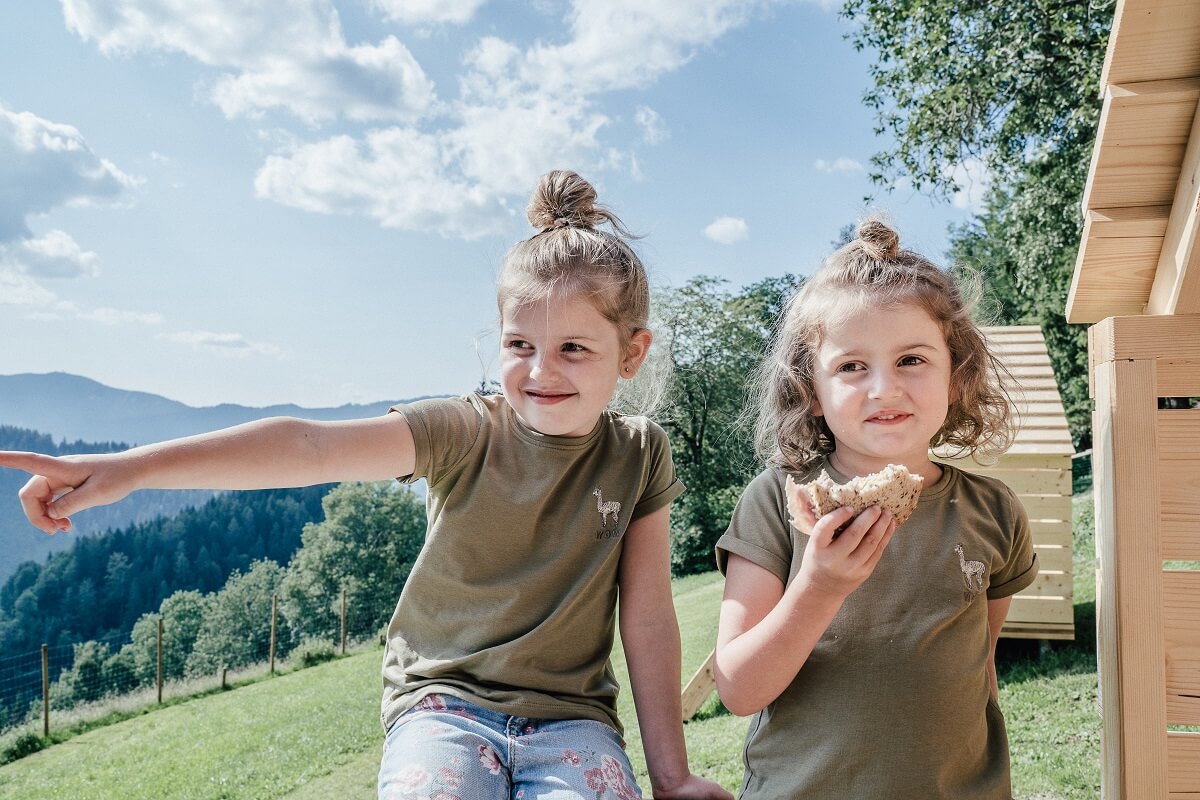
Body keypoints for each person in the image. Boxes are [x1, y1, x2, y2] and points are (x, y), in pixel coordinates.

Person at [0, 170, 731, 800]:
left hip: (574, 724)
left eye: (573, 348)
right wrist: (127, 470)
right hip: (444, 707)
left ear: (631, 353)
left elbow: (649, 616)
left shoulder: (640, 453)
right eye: (519, 345)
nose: (540, 372)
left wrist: (670, 776)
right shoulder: (465, 430)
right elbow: (309, 443)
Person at [713, 218, 1038, 799]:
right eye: (851, 366)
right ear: (810, 390)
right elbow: (737, 689)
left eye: (912, 359)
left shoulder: (994, 511)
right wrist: (819, 588)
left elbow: (978, 669)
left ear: (957, 376)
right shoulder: (777, 501)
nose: (884, 389)